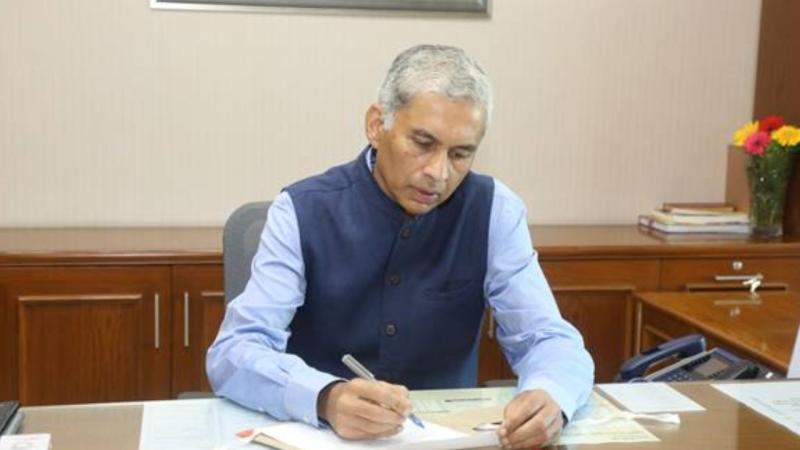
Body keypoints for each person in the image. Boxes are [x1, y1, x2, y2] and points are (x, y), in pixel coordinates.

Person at [207, 44, 594, 449]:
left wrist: (551, 396)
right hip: (325, 438)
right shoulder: (301, 210)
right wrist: (326, 397)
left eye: (460, 154)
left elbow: (548, 338)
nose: (438, 173)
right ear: (377, 125)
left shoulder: (495, 210)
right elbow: (234, 351)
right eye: (423, 143)